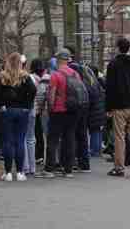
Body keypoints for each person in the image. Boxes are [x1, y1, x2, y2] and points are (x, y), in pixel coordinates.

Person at [104, 37, 130, 178]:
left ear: (118, 48)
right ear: (129, 48)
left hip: (119, 106)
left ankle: (119, 167)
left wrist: (108, 108)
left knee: (119, 137)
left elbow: (109, 88)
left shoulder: (113, 65)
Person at [42, 49, 84, 179]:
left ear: (58, 60)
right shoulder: (76, 74)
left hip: (58, 111)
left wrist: (50, 108)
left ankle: (49, 169)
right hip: (73, 110)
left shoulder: (55, 75)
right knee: (69, 138)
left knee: (53, 139)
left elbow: (52, 95)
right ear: (68, 60)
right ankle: (68, 169)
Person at [0, 52, 37, 182]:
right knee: (20, 140)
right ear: (20, 63)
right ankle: (20, 172)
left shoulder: (2, 76)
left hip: (7, 110)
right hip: (22, 111)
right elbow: (33, 90)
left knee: (7, 141)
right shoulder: (25, 76)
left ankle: (8, 172)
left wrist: (1, 105)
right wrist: (27, 105)